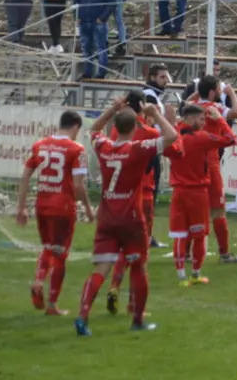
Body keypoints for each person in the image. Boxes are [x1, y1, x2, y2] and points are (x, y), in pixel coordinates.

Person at [76, 97, 177, 336]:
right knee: (139, 267)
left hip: (107, 217)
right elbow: (172, 137)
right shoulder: (138, 149)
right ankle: (138, 320)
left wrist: (111, 109)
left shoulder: (103, 146)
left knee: (101, 268)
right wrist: (156, 113)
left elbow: (93, 129)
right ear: (134, 128)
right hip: (131, 218)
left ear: (115, 128)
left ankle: (82, 317)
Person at [16, 110, 93, 316]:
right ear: (75, 127)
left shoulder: (40, 145)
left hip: (42, 204)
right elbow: (78, 186)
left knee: (47, 247)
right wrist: (86, 206)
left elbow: (24, 176)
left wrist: (21, 207)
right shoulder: (76, 149)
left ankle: (39, 280)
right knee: (59, 255)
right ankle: (52, 305)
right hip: (63, 208)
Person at [184, 74, 237, 263]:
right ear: (213, 91)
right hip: (210, 162)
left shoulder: (193, 109)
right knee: (218, 210)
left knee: (195, 209)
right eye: (219, 89)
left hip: (192, 162)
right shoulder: (215, 109)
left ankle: (186, 253)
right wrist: (232, 94)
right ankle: (224, 253)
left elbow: (184, 103)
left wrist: (199, 92)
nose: (222, 91)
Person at [170, 103, 237, 286]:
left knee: (179, 234)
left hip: (178, 192)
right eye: (201, 119)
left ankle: (180, 276)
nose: (203, 123)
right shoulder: (202, 137)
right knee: (200, 234)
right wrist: (221, 121)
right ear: (191, 119)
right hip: (198, 192)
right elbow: (231, 139)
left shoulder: (173, 135)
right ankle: (196, 273)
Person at [71, 0, 117, 80]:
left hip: (98, 22)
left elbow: (112, 3)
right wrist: (77, 16)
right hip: (84, 21)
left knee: (101, 47)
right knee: (86, 48)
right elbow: (75, 1)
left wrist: (102, 18)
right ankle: (87, 72)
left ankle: (101, 73)